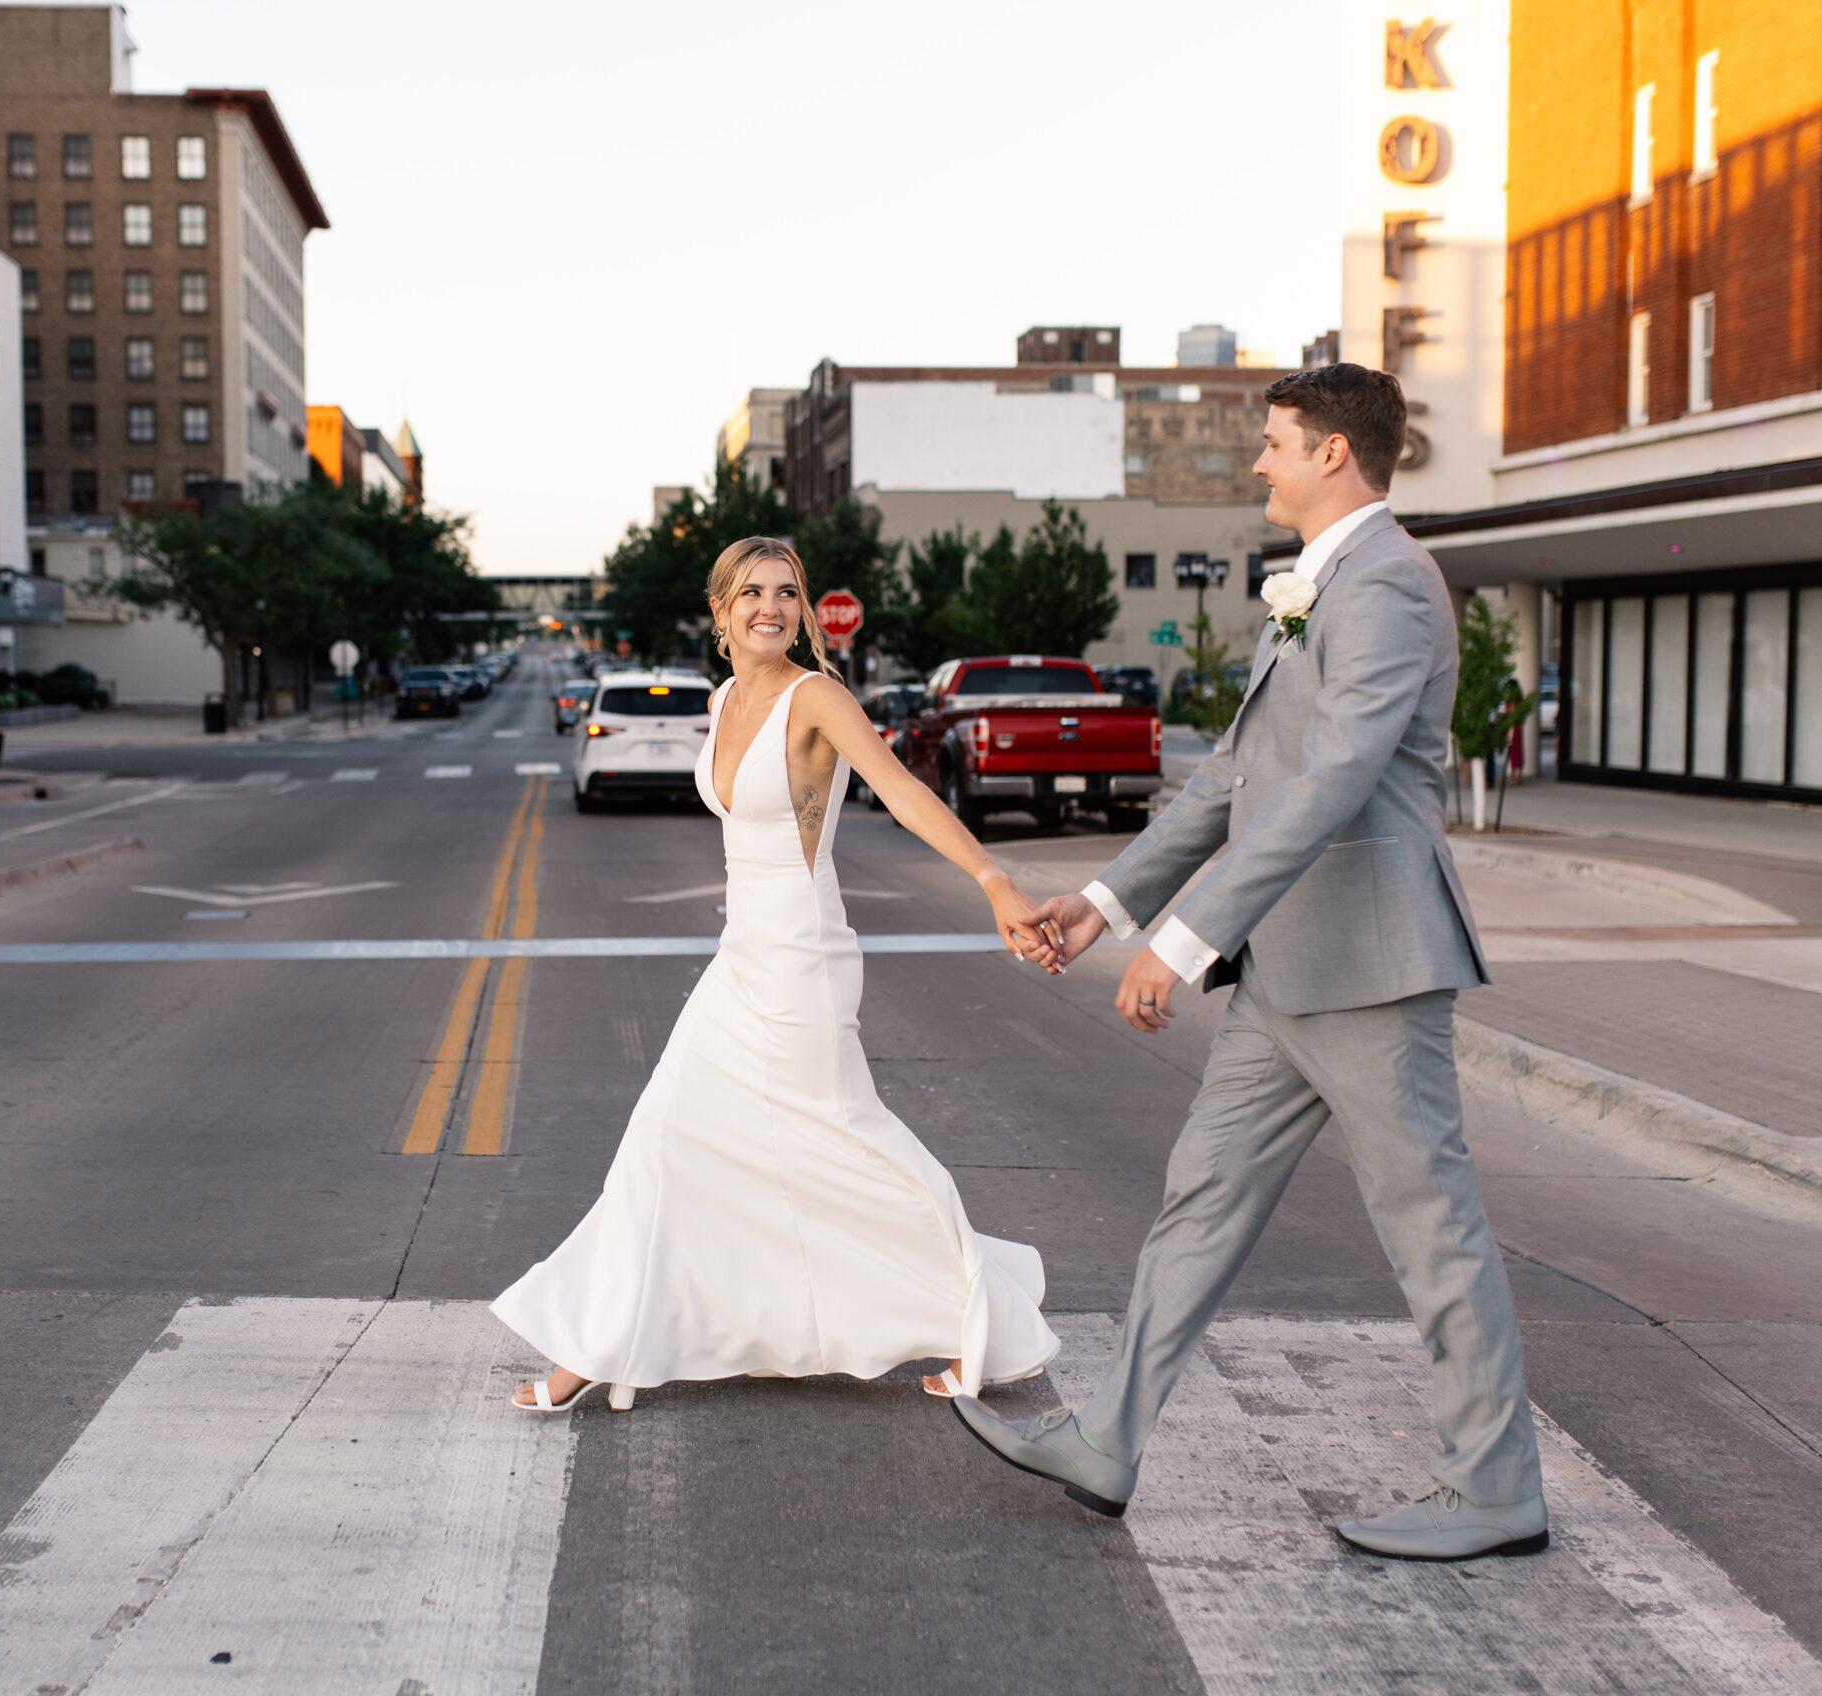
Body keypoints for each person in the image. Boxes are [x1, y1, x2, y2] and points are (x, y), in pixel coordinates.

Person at [957, 363, 1549, 1562]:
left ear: (1335, 453)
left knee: (1430, 1229)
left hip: (1370, 966)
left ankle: (1495, 1488)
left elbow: (1330, 786)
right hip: (1287, 974)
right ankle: (1106, 1441)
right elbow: (1232, 782)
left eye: (1276, 443)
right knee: (1199, 1202)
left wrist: (1181, 943)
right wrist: (1105, 904)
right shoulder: (1317, 589)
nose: (1261, 462)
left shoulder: (1383, 585)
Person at [492, 536, 1061, 1412]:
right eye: (752, 592)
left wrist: (993, 878)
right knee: (665, 1144)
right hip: (740, 956)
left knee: (846, 1141)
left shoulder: (817, 697)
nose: (772, 606)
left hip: (802, 961)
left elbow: (903, 792)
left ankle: (987, 1319)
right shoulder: (721, 700)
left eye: (786, 592)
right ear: (719, 611)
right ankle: (597, 1345)